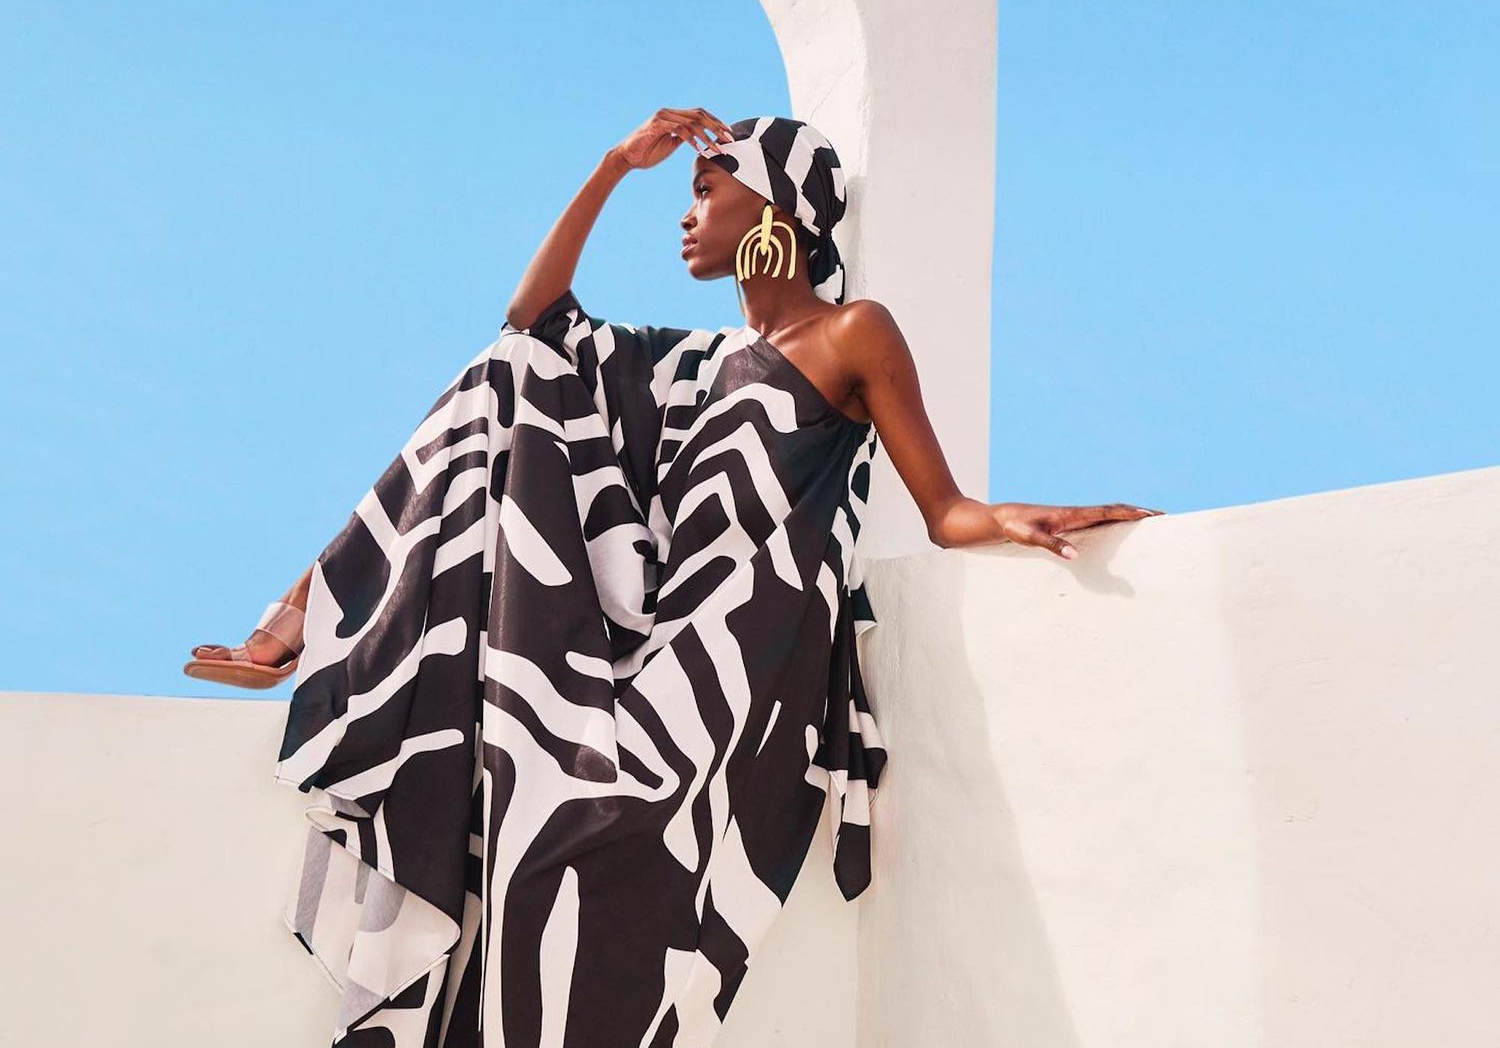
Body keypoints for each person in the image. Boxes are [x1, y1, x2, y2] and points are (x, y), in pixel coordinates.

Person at [186, 109, 1162, 1045]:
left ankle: (331, 635)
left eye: (705, 188)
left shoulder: (853, 333)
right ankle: (306, 613)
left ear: (774, 208)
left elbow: (943, 510)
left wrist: (1018, 517)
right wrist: (616, 163)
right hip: (650, 637)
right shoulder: (692, 368)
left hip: (750, 649)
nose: (686, 213)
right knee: (507, 378)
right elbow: (531, 321)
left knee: (570, 840)